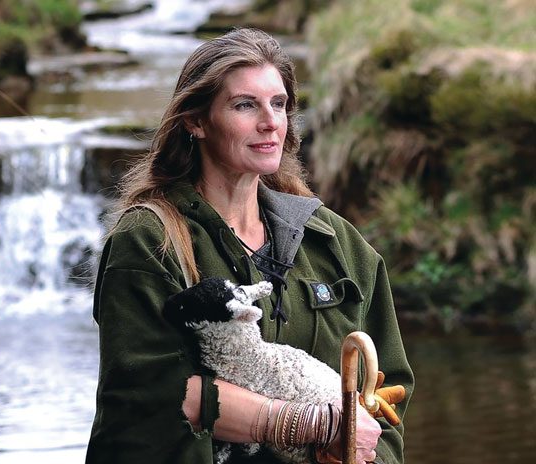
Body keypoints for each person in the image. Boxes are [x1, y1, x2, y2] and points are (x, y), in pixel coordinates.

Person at [85, 28, 414, 464]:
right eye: (245, 105)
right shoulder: (150, 240)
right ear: (196, 121)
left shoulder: (334, 241)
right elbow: (146, 396)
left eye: (279, 104)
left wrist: (358, 450)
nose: (270, 122)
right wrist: (310, 424)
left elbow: (386, 401)